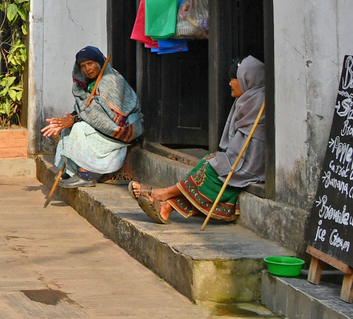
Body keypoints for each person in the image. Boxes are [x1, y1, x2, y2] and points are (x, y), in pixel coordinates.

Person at [132, 57, 267, 224]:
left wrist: (226, 160)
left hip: (252, 164)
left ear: (247, 80)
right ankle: (166, 206)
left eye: (233, 79)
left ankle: (163, 194)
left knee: (210, 170)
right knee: (207, 160)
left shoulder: (260, 101)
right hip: (240, 157)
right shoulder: (245, 99)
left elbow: (254, 147)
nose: (230, 84)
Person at [42, 46, 142, 187]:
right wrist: (69, 119)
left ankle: (84, 176)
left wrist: (74, 119)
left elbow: (100, 113)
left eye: (90, 63)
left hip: (123, 128)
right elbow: (85, 110)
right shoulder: (87, 85)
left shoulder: (111, 81)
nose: (87, 69)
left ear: (99, 63)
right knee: (68, 130)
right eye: (83, 66)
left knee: (79, 128)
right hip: (105, 126)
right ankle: (71, 171)